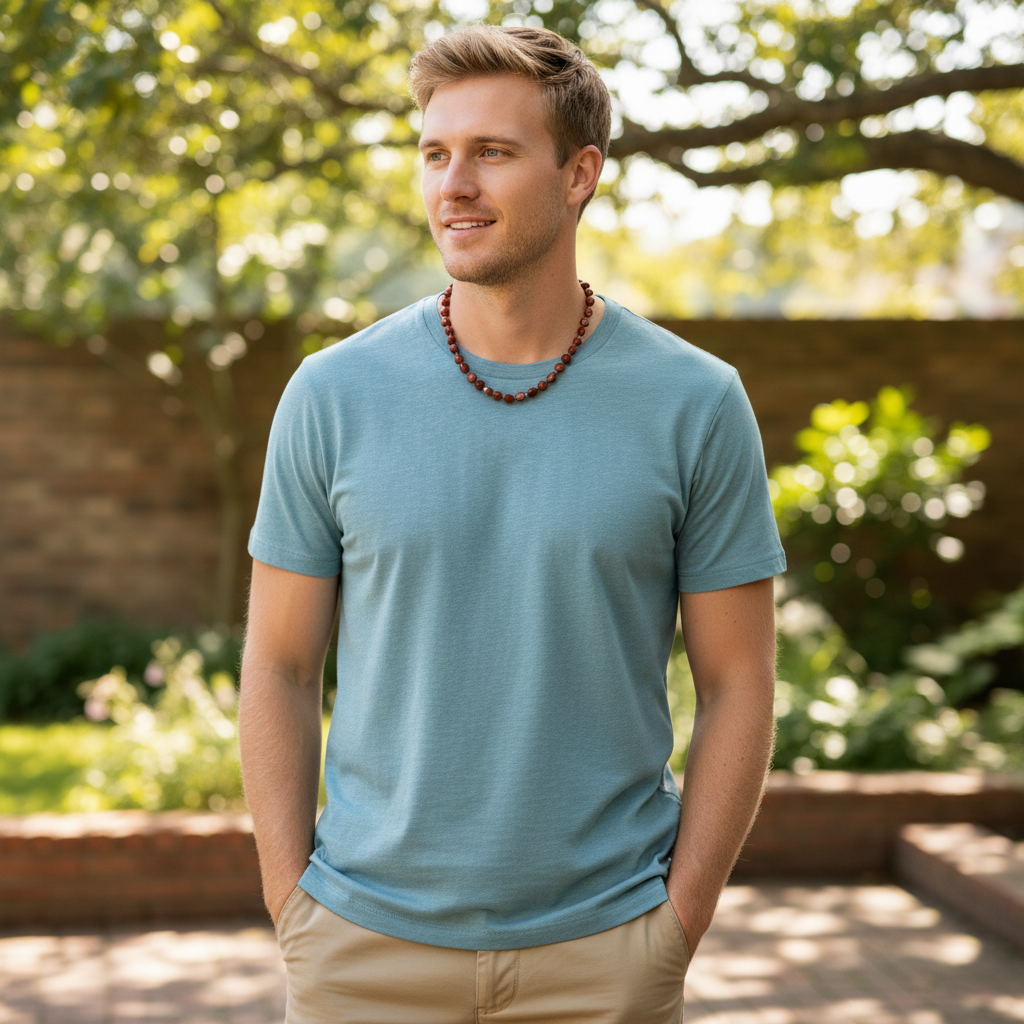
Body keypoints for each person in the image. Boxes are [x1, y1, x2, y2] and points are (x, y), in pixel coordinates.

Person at [240, 23, 785, 1024]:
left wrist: (678, 921)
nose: (454, 183)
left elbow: (738, 680)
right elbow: (277, 663)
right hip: (362, 952)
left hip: (606, 952)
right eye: (435, 153)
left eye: (492, 152)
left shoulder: (695, 403)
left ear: (579, 174)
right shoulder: (332, 394)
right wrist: (293, 906)